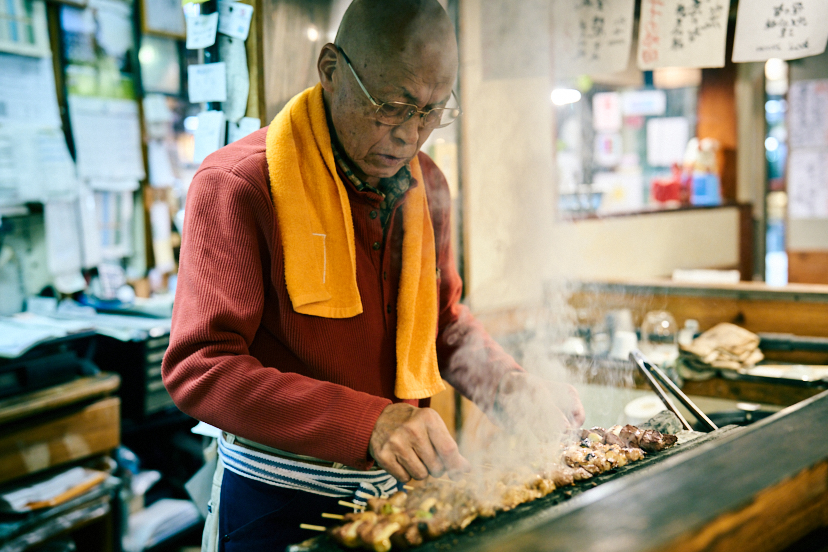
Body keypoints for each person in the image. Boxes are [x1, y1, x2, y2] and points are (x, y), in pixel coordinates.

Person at [162, 0, 585, 550]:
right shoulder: (240, 184)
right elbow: (200, 367)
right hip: (276, 499)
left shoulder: (425, 184)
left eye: (432, 111)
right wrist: (368, 423)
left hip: (399, 497)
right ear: (331, 70)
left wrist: (511, 388)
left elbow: (441, 324)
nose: (410, 136)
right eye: (392, 106)